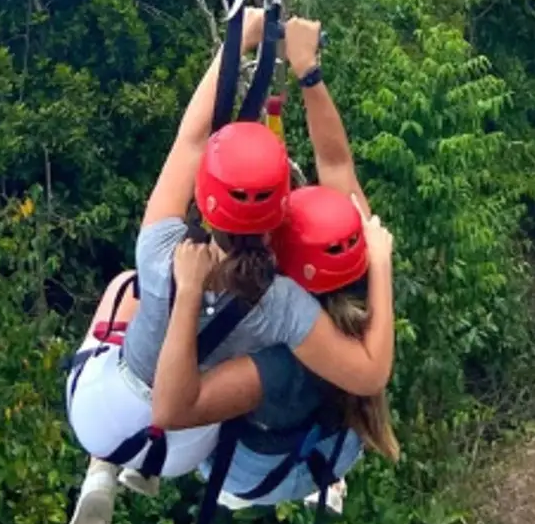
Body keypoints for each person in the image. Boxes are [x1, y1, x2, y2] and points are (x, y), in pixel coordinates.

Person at [61, 9, 395, 524]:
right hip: (184, 444)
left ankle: (102, 467)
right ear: (281, 217)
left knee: (125, 287)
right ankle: (149, 469)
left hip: (110, 409)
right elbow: (336, 166)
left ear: (206, 199)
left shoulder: (162, 251)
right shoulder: (284, 301)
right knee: (229, 396)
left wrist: (243, 39)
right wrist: (307, 72)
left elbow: (192, 139)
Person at [153, 187, 399, 507]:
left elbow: (173, 410)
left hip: (255, 474)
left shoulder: (277, 364)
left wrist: (188, 291)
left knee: (202, 349)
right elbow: (336, 162)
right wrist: (381, 262)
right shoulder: (369, 299)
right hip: (338, 452)